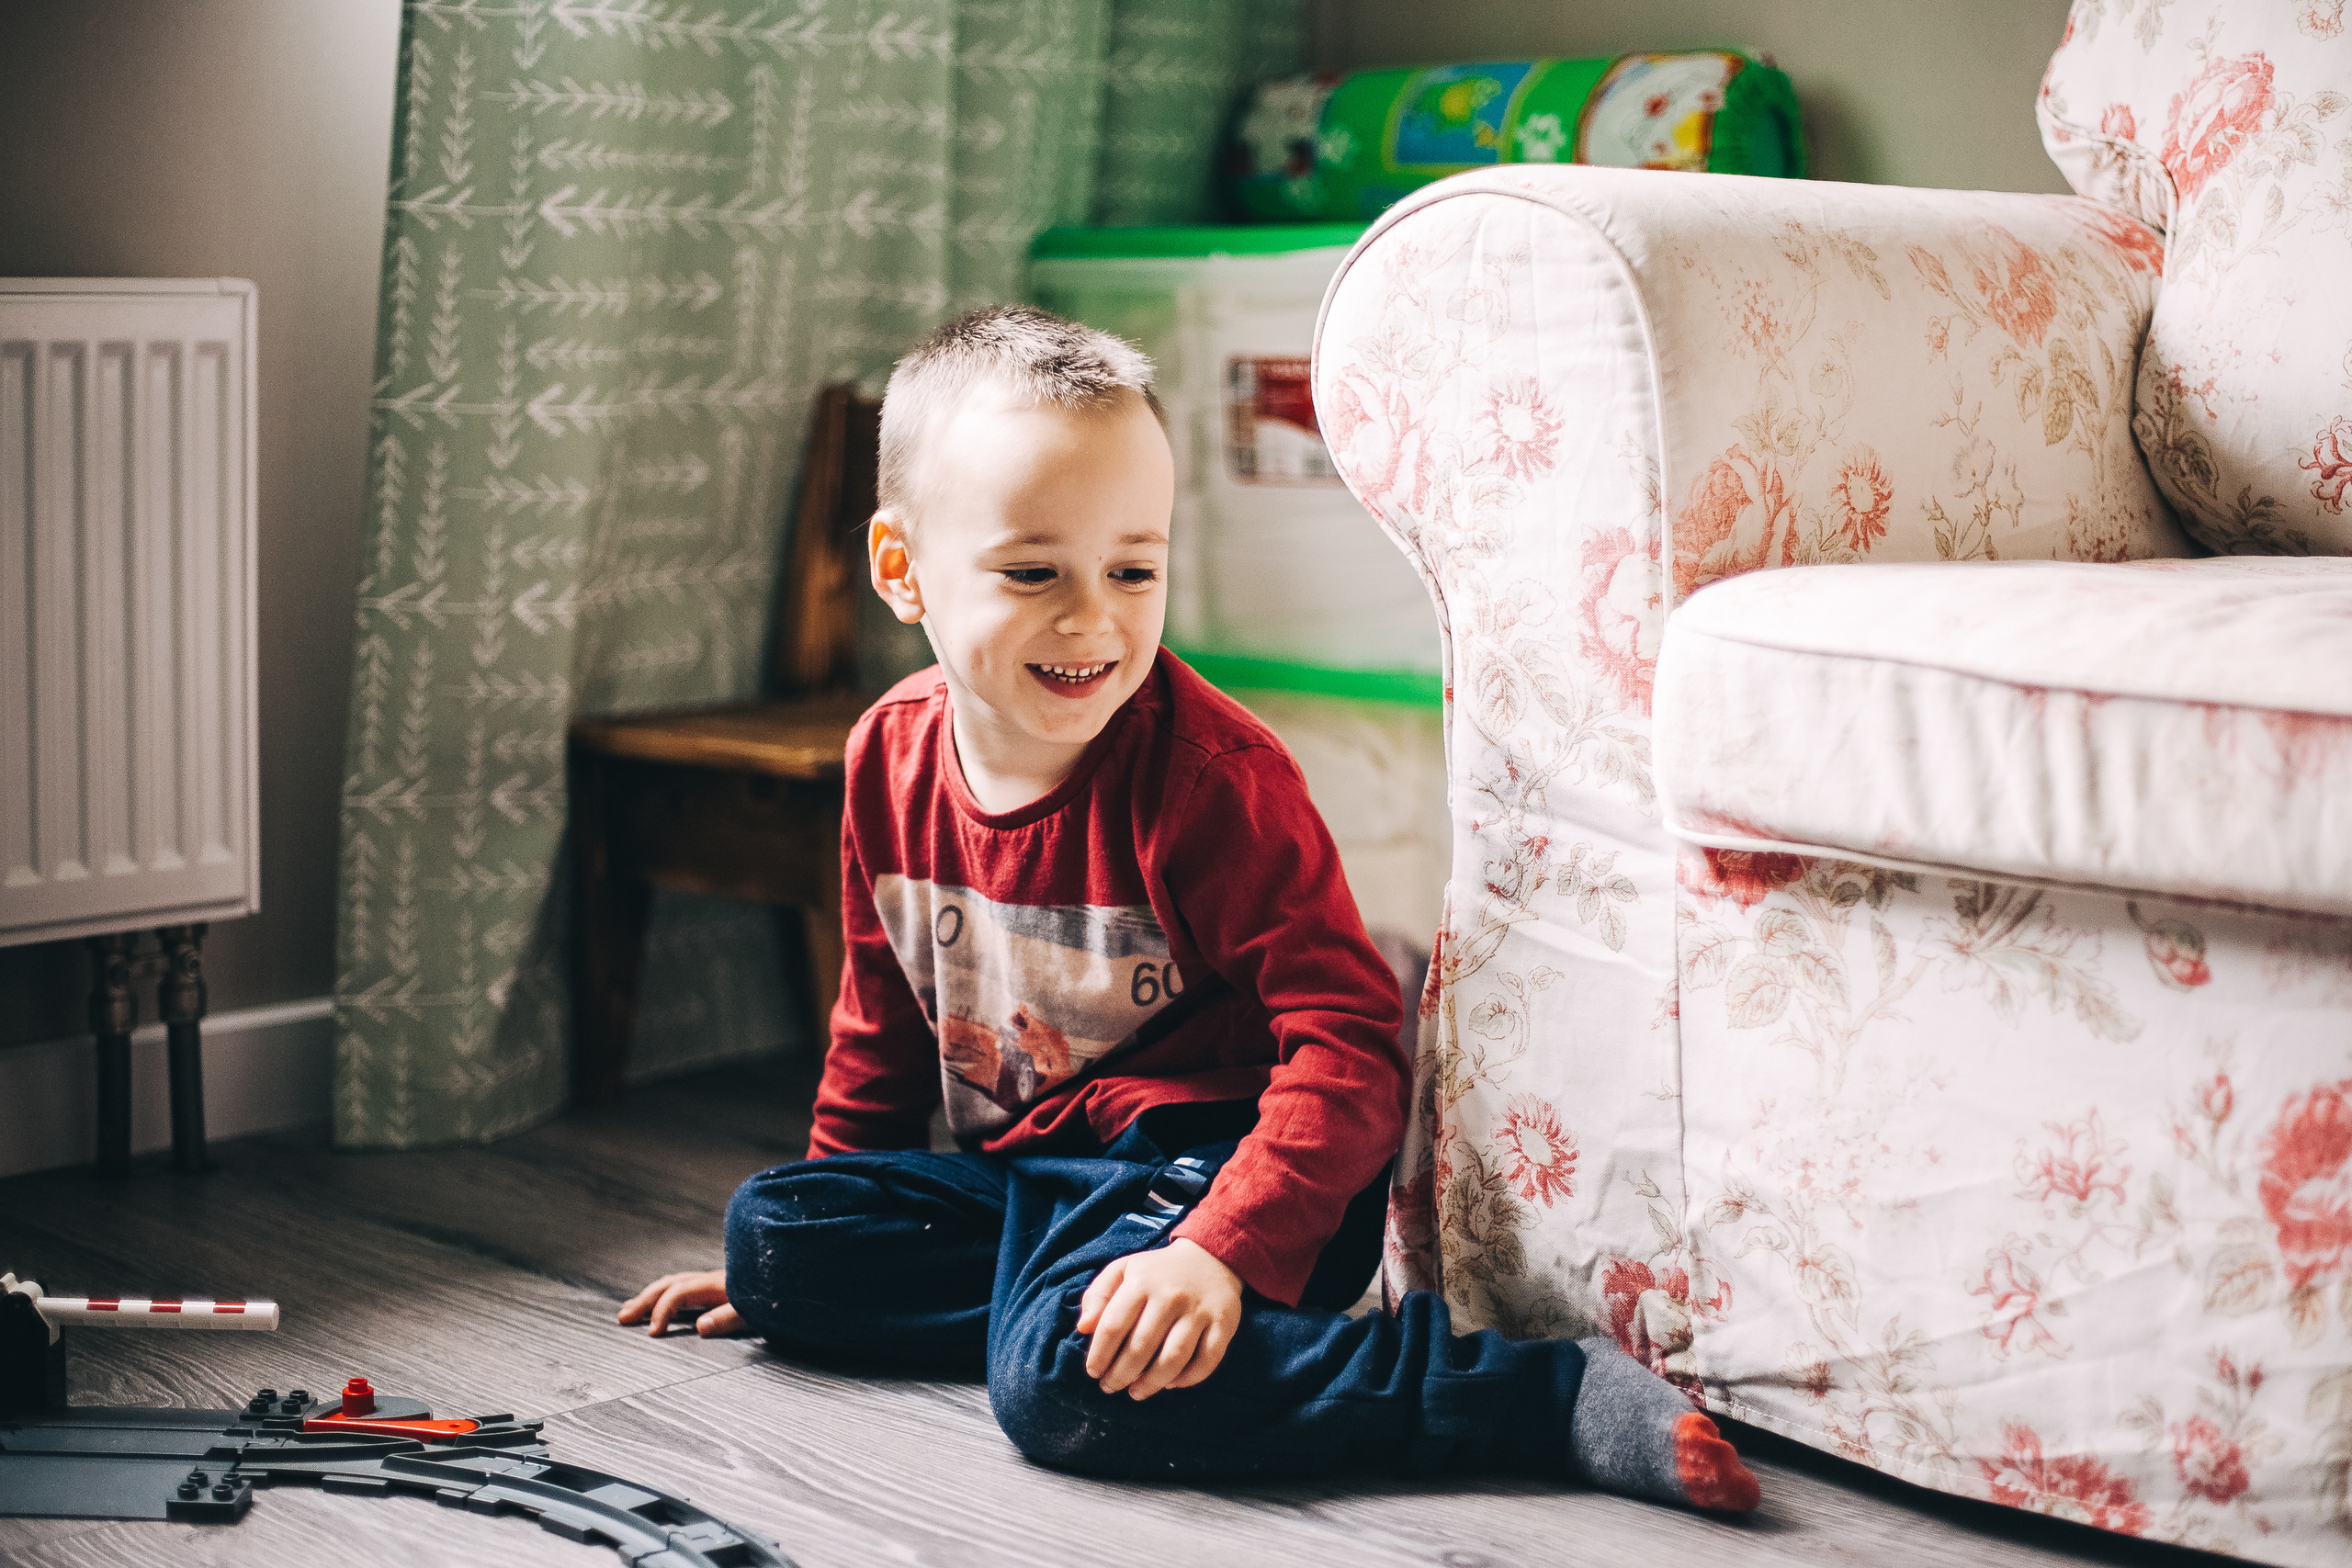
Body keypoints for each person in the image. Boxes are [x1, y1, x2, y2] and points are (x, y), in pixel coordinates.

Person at [617, 304, 1758, 1511]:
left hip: (1223, 1163)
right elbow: (881, 1026)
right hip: (1051, 1176)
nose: (1093, 618)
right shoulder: (885, 760)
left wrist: (1223, 1251)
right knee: (776, 1235)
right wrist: (833, 1245)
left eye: (1133, 568)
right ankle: (1079, 1308)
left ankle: (1532, 1395)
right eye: (1031, 571)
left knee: (1062, 1383)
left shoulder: (1209, 780)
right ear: (904, 571)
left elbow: (1354, 1049)